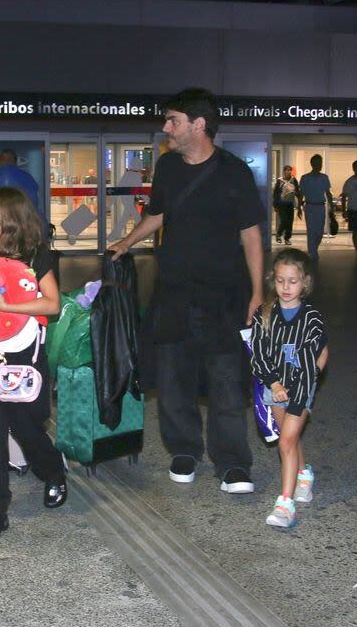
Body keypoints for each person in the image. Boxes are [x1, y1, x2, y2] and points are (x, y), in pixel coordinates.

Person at [109, 87, 264, 494]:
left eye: (173, 120)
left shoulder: (235, 172)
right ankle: (184, 450)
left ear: (198, 125)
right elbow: (157, 214)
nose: (166, 128)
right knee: (174, 376)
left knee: (226, 379)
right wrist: (127, 242)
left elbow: (251, 235)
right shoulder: (168, 168)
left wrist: (257, 291)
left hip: (224, 295)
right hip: (174, 291)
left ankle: (231, 462)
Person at [0, 187, 67, 541]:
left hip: (25, 353)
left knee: (25, 426)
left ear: (8, 220)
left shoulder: (38, 256)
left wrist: (8, 308)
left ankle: (54, 472)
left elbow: (52, 304)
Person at [249, 248, 329, 528]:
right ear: (274, 280)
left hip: (300, 387)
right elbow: (258, 352)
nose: (286, 287)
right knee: (289, 438)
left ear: (305, 282)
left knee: (285, 442)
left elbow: (320, 353)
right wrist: (274, 382)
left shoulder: (312, 318)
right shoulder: (264, 314)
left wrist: (303, 384)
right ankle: (304, 474)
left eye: (292, 281)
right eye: (281, 280)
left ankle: (285, 504)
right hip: (275, 386)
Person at [299, 154, 333, 262]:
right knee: (311, 231)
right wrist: (299, 207)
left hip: (320, 207)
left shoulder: (324, 178)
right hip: (309, 206)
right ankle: (312, 253)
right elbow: (301, 193)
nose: (319, 165)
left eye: (320, 163)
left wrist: (331, 206)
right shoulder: (305, 178)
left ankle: (313, 250)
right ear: (312, 164)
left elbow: (328, 193)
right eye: (317, 163)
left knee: (319, 232)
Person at [273, 165, 303, 245]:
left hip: (290, 204)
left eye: (290, 170)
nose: (289, 171)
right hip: (281, 204)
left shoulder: (294, 180)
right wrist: (275, 205)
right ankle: (279, 234)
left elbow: (298, 192)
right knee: (284, 220)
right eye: (287, 170)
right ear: (284, 171)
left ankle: (287, 238)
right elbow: (275, 193)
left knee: (290, 222)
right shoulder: (280, 181)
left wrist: (299, 203)